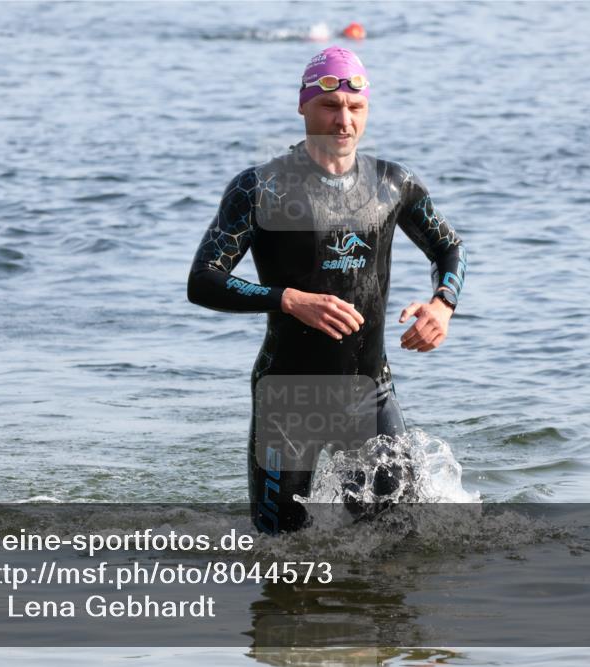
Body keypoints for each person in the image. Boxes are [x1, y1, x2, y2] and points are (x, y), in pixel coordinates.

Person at [187, 46, 467, 535]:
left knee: (401, 540)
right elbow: (203, 280)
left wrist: (442, 305)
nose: (343, 121)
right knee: (281, 553)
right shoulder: (260, 188)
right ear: (303, 106)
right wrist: (288, 299)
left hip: (370, 391)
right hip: (286, 398)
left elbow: (449, 249)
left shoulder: (393, 184)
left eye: (355, 109)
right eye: (329, 107)